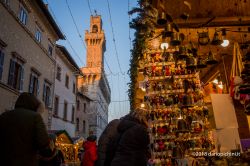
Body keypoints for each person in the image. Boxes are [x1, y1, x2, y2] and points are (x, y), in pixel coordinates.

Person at [0, 92, 51, 166]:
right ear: (34, 104)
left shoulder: (4, 115)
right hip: (26, 161)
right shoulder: (35, 117)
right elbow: (44, 142)